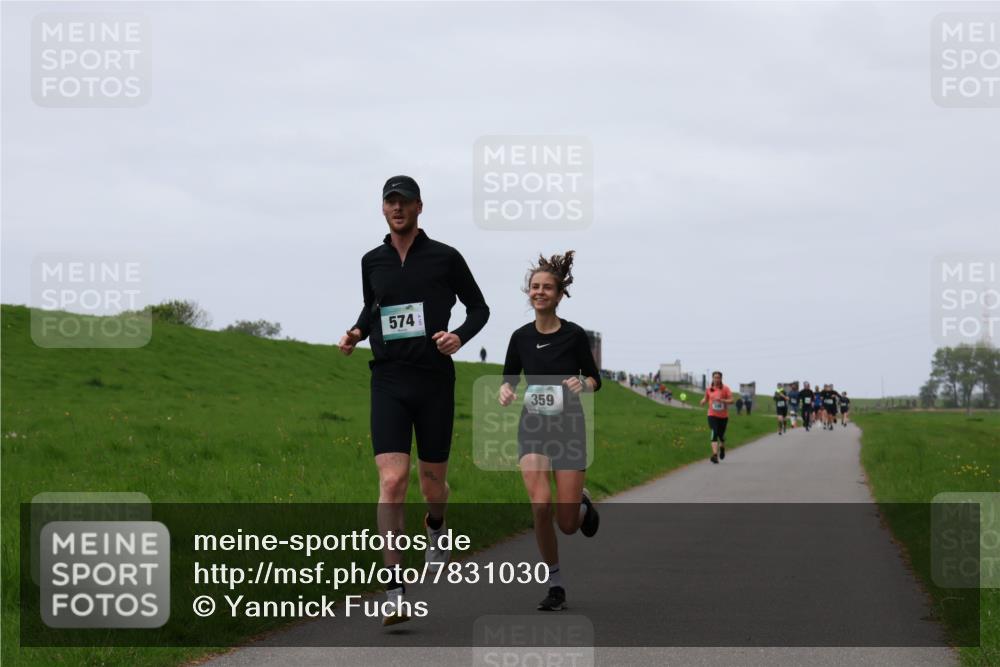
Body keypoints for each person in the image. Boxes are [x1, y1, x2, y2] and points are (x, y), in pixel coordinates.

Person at [339, 175, 490, 626]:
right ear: (383, 209)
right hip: (387, 378)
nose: (397, 208)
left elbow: (479, 308)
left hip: (433, 381)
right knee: (392, 481)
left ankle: (436, 527)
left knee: (431, 486)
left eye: (404, 202)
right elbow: (374, 306)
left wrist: (458, 337)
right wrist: (357, 331)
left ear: (419, 207)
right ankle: (395, 590)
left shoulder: (446, 257)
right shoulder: (372, 260)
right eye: (390, 202)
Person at [498, 251, 601, 612]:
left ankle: (582, 508)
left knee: (568, 523)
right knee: (540, 505)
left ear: (559, 295)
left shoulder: (574, 336)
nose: (539, 292)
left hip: (569, 427)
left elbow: (595, 378)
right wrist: (506, 390)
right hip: (534, 426)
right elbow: (509, 379)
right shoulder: (519, 337)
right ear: (529, 293)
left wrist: (583, 384)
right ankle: (555, 583)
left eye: (547, 288)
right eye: (534, 287)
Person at [699, 371, 734, 463]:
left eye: (718, 377)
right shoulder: (709, 389)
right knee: (714, 432)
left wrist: (722, 400)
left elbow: (731, 401)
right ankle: (715, 455)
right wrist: (702, 401)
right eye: (715, 377)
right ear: (712, 378)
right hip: (712, 415)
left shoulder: (726, 389)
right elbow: (706, 398)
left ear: (721, 379)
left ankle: (722, 448)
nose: (716, 379)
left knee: (721, 436)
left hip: (723, 416)